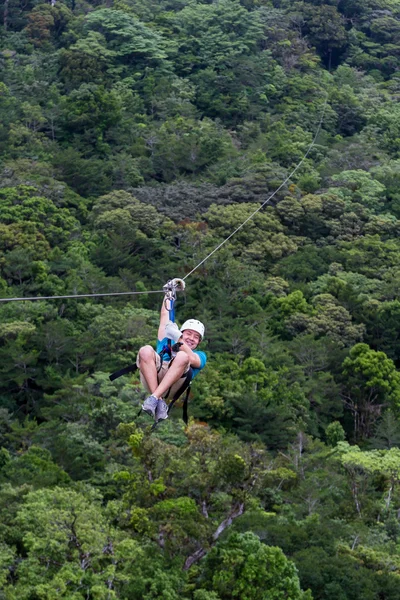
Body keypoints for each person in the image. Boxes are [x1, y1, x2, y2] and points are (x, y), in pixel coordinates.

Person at [136, 294, 207, 422]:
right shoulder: (166, 343)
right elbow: (165, 315)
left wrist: (178, 338)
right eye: (188, 334)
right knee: (145, 350)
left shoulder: (200, 355)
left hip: (174, 385)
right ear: (182, 332)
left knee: (183, 355)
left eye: (196, 337)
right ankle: (157, 400)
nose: (191, 338)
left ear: (199, 342)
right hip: (154, 378)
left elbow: (193, 360)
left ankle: (155, 398)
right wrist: (169, 293)